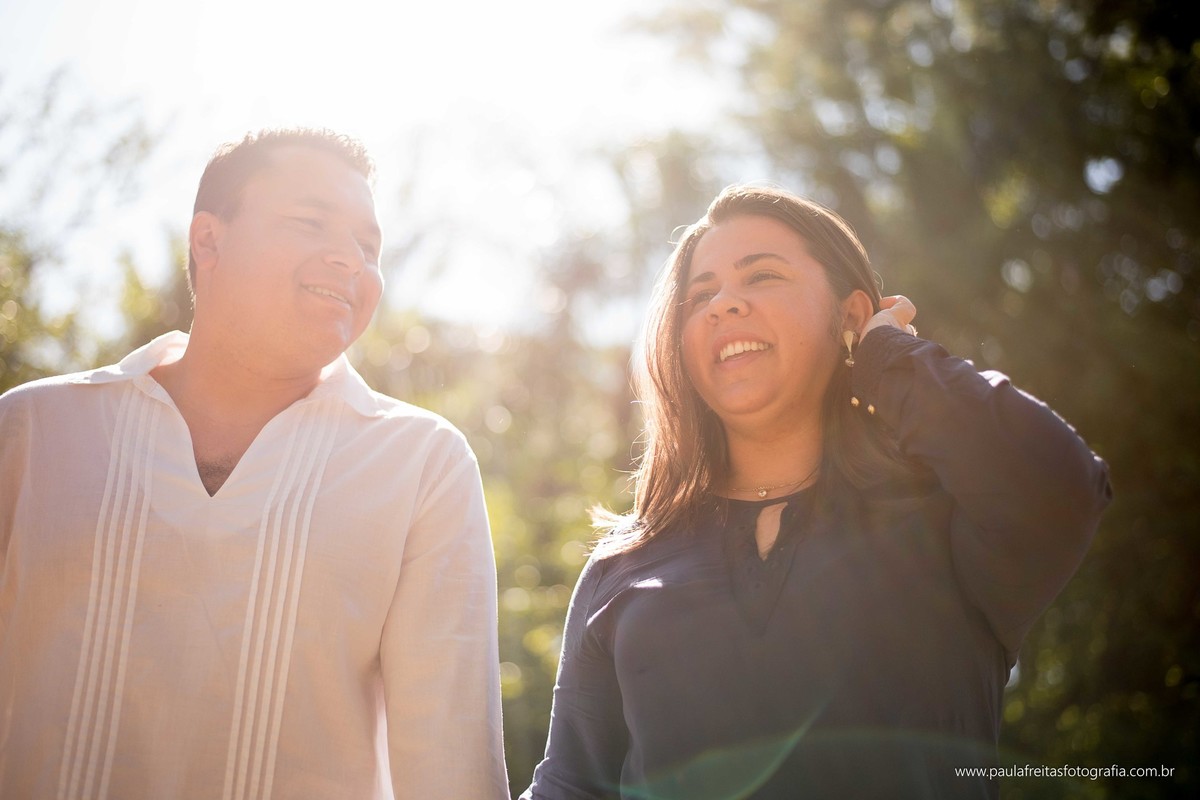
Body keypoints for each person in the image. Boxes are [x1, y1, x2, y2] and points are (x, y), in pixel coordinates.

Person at [522, 185, 1111, 799]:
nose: (724, 304)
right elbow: (569, 786)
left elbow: (1062, 484)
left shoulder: (947, 524)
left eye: (763, 277)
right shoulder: (623, 564)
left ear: (851, 316)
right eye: (702, 295)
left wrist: (889, 355)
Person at [0, 129, 509, 799]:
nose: (349, 259)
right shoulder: (31, 431)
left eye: (368, 246)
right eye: (310, 222)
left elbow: (450, 762)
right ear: (207, 240)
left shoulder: (422, 464)